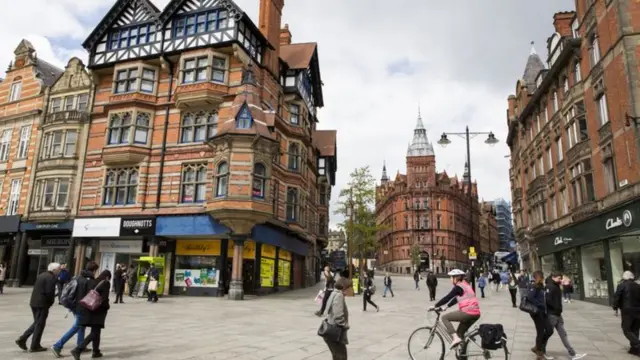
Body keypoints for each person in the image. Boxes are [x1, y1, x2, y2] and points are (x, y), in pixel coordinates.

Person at [51, 262, 100, 357]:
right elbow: (90, 296)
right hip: (82, 308)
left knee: (81, 326)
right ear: (94, 270)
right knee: (76, 327)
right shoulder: (89, 281)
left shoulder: (78, 277)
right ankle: (57, 346)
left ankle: (81, 345)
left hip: (75, 306)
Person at [429, 269, 480, 348]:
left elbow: (448, 297)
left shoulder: (458, 287)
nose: (450, 279)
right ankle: (462, 355)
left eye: (451, 277)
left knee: (444, 317)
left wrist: (435, 306)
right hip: (475, 313)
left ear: (456, 278)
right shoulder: (465, 284)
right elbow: (457, 299)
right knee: (460, 334)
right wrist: (446, 306)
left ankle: (455, 338)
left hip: (468, 312)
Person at [16, 262, 61, 353]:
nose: (59, 271)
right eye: (59, 269)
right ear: (54, 270)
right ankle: (34, 345)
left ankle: (23, 339)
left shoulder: (42, 275)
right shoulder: (51, 278)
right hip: (42, 304)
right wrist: (51, 301)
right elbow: (49, 292)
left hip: (34, 302)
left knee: (38, 323)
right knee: (39, 324)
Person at [70, 269, 112, 359]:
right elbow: (104, 299)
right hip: (99, 310)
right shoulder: (105, 283)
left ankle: (96, 351)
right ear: (107, 277)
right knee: (95, 332)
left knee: (96, 331)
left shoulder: (93, 281)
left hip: (90, 308)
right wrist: (107, 306)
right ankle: (78, 349)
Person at [545, 271, 586, 360]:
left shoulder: (555, 285)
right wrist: (555, 308)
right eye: (559, 278)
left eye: (561, 278)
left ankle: (572, 354)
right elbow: (548, 300)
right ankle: (541, 351)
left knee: (563, 334)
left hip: (558, 314)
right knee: (547, 334)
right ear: (553, 277)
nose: (560, 280)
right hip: (552, 314)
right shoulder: (550, 286)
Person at [527, 270, 554, 360]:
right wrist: (539, 304)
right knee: (540, 332)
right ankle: (539, 352)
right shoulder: (534, 286)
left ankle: (537, 346)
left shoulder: (542, 286)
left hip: (544, 312)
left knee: (550, 330)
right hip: (537, 313)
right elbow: (530, 297)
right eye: (542, 277)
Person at [322, 277, 350, 360]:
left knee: (337, 356)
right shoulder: (339, 296)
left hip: (330, 331)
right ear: (344, 287)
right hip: (336, 333)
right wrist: (345, 325)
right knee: (341, 357)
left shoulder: (333, 293)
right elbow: (338, 315)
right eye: (349, 288)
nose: (349, 290)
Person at [613, 270, 640, 355]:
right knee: (635, 329)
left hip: (627, 310)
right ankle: (634, 349)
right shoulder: (638, 286)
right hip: (638, 310)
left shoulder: (622, 285)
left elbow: (617, 296)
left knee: (626, 329)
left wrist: (615, 307)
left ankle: (637, 344)